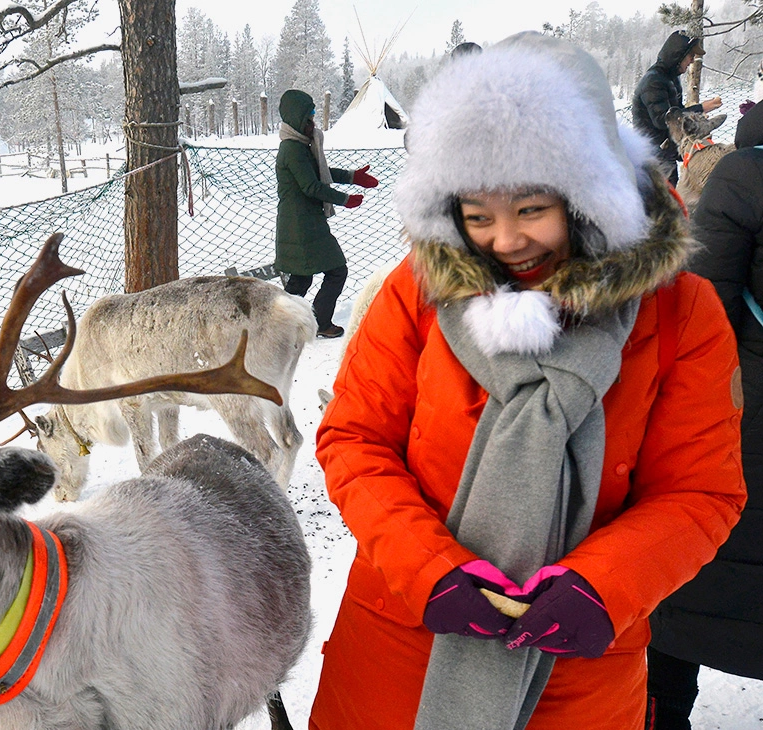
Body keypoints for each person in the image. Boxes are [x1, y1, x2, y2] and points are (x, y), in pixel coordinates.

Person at [309, 32, 745, 730]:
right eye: (477, 216)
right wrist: (430, 571)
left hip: (580, 672)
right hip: (401, 654)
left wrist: (604, 587)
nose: (505, 241)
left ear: (589, 197)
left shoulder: (680, 314)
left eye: (531, 210)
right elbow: (355, 441)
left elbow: (700, 490)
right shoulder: (415, 294)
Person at [645, 101, 763, 730]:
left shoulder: (741, 177)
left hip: (738, 425)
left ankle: (660, 713)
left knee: (681, 593)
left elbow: (703, 314)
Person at [275, 89, 379, 339]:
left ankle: (279, 325)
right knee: (335, 270)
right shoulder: (292, 149)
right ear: (297, 119)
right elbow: (311, 186)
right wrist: (344, 199)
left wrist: (352, 177)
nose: (313, 123)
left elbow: (320, 172)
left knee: (301, 280)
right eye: (309, 118)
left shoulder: (299, 146)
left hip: (304, 224)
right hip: (302, 226)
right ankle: (317, 322)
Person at [632, 30, 722, 185]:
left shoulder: (670, 79)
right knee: (662, 203)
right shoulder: (654, 81)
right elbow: (664, 120)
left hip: (664, 153)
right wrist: (700, 108)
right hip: (652, 157)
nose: (692, 61)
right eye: (690, 56)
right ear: (678, 55)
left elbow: (677, 111)